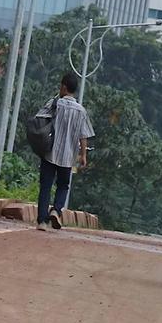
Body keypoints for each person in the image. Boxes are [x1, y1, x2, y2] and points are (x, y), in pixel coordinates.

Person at [34, 72, 95, 232]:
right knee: (63, 186)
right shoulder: (81, 111)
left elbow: (39, 118)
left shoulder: (55, 104)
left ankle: (42, 221)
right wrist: (83, 155)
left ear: (63, 87)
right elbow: (84, 135)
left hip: (49, 152)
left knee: (46, 186)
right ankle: (56, 210)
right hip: (68, 156)